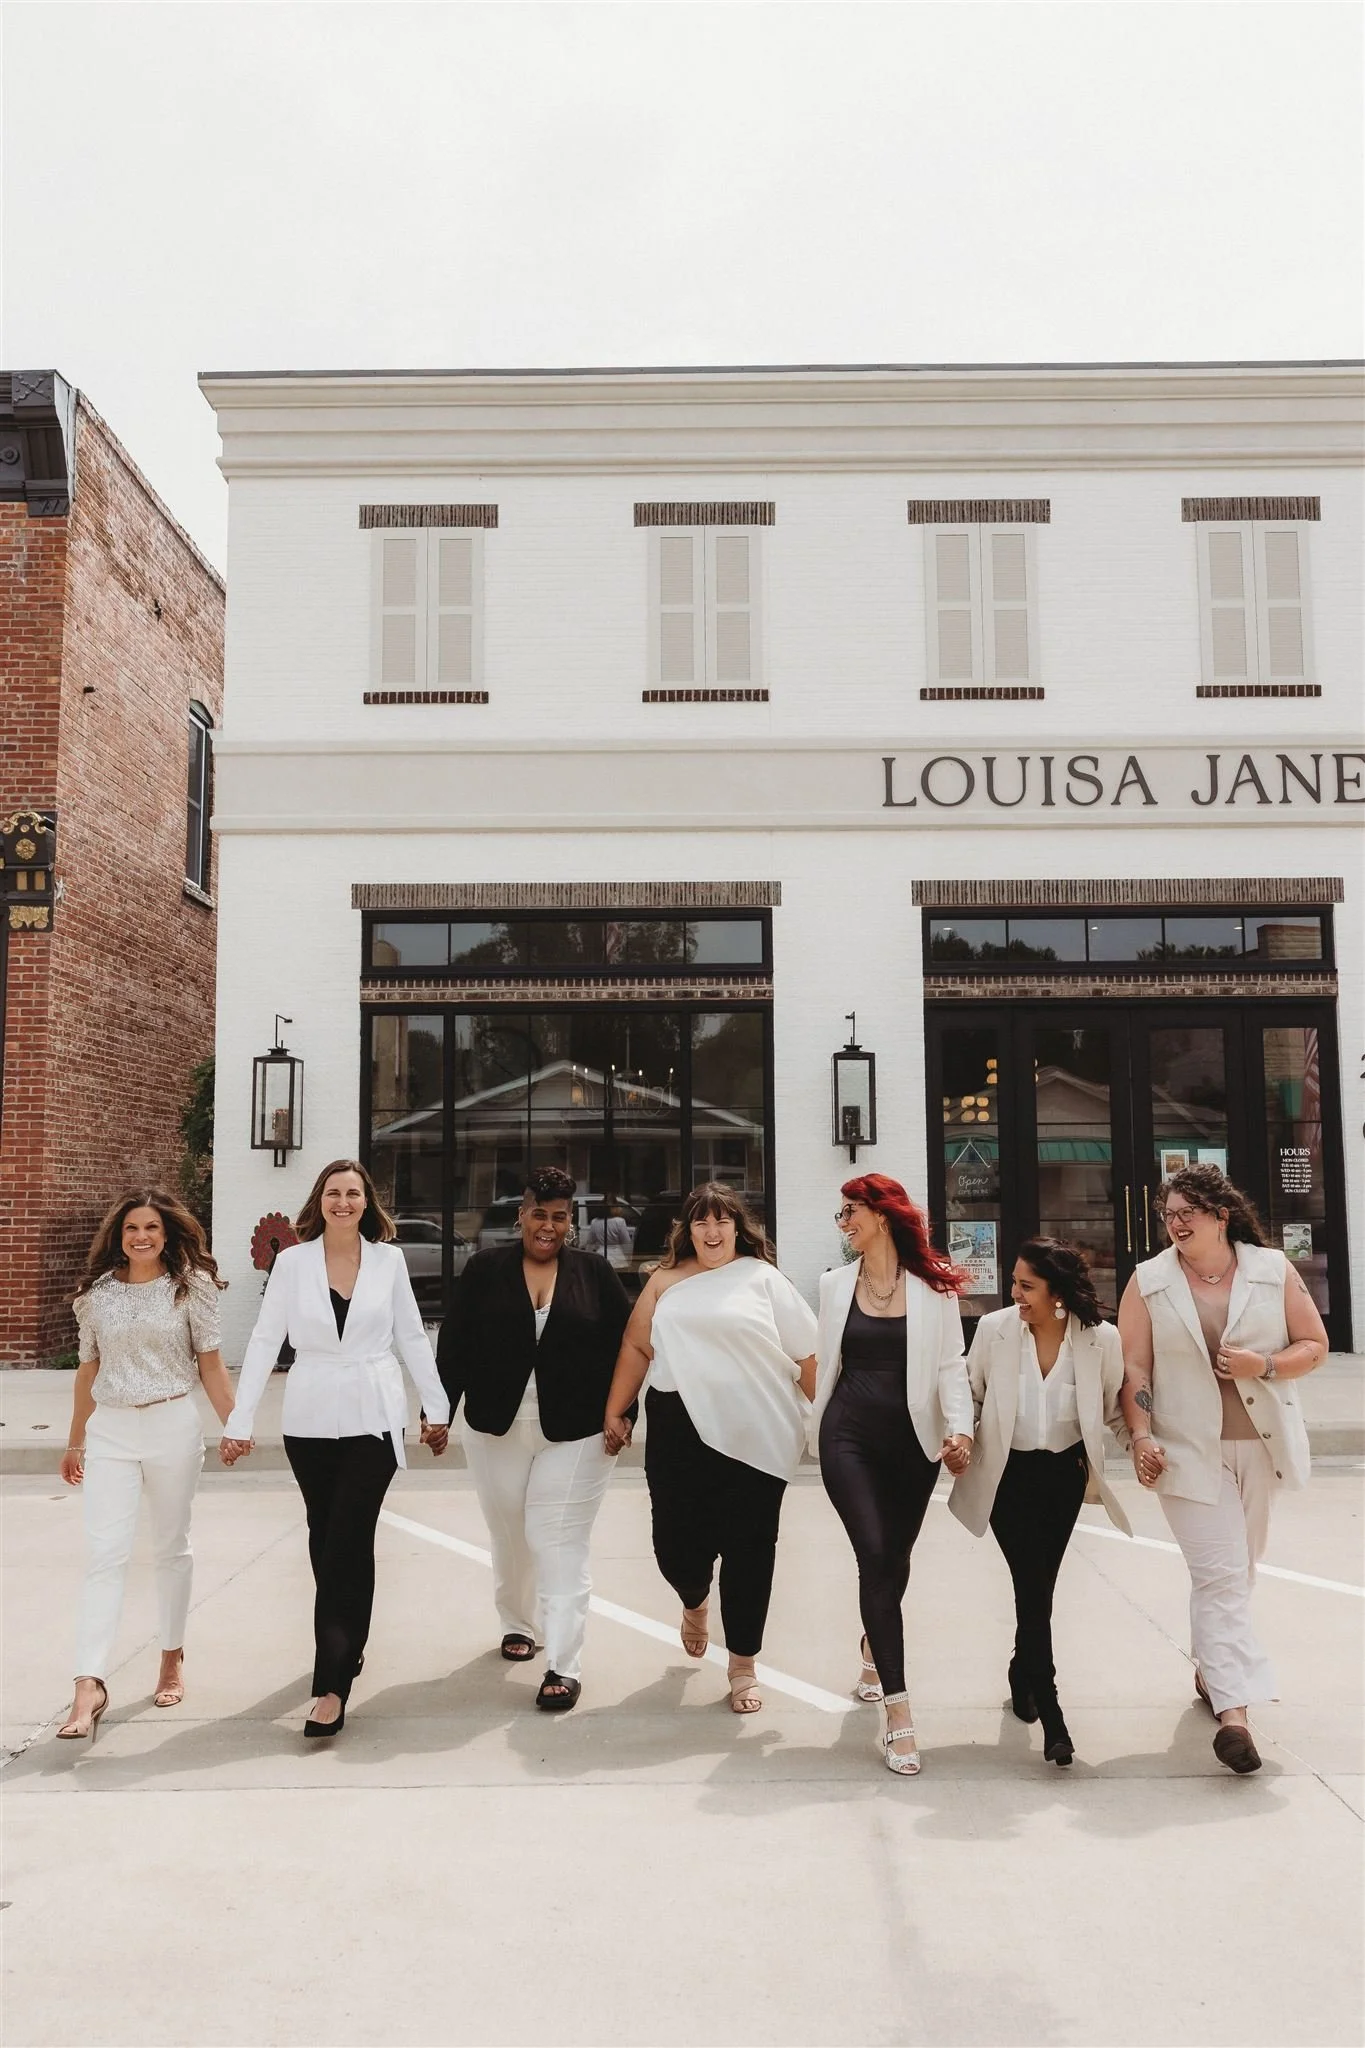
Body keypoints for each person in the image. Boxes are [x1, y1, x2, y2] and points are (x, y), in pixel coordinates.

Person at [220, 1159, 450, 1738]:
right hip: (310, 1418)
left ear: (367, 1202)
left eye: (353, 1193)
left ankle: (330, 1687)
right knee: (326, 1540)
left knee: (346, 1537)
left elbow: (412, 1335)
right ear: (319, 1201)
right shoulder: (293, 1263)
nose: (343, 1202)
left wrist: (436, 1407)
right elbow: (267, 1338)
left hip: (374, 1417)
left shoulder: (388, 1260)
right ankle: (348, 1646)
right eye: (333, 1193)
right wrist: (239, 1420)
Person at [1117, 1162, 1328, 1775]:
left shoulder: (1270, 1269)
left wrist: (1262, 1365)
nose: (1175, 1223)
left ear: (1220, 1215)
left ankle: (1214, 1673)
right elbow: (1135, 1369)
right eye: (1168, 1214)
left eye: (1187, 1212)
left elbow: (1312, 1345)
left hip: (1261, 1446)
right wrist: (1139, 1434)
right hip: (1185, 1452)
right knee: (1219, 1576)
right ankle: (1235, 1716)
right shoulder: (1149, 1281)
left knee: (1238, 1573)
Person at [603, 1183, 817, 1714]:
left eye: (723, 1221)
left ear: (738, 1229)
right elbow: (636, 1344)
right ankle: (694, 1598)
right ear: (688, 1230)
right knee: (674, 1544)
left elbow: (809, 1356)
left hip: (757, 1430)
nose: (713, 1232)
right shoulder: (664, 1281)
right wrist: (616, 1409)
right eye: (701, 1222)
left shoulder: (764, 1280)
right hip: (679, 1428)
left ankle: (743, 1663)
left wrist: (833, 1425)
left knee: (750, 1553)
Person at [437, 1167, 633, 1712]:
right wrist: (438, 1413)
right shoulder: (484, 1269)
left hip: (577, 1430)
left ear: (572, 1221)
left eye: (560, 1216)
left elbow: (629, 1347)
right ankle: (518, 1622)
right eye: (539, 1214)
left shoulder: (594, 1273)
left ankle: (563, 1664)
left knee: (557, 1538)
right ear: (521, 1214)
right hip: (496, 1425)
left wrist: (624, 1412)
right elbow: (454, 1346)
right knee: (510, 1532)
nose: (549, 1226)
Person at [57, 1191, 236, 1741]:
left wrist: (236, 1424)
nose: (141, 1236)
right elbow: (88, 1369)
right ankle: (88, 1683)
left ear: (167, 1234)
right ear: (119, 1234)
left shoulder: (191, 1287)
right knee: (105, 1555)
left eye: (152, 1227)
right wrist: (75, 1440)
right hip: (111, 1428)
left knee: (170, 1547)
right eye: (132, 1227)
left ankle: (171, 1655)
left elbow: (210, 1365)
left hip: (172, 1424)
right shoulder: (95, 1295)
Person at [812, 1174, 973, 1776]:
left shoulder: (935, 1289)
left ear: (882, 1214)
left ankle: (872, 1650)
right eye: (840, 1213)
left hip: (913, 1442)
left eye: (849, 1211)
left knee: (895, 1563)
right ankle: (900, 1715)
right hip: (846, 1434)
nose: (843, 1222)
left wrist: (961, 1430)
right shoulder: (832, 1286)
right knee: (875, 1554)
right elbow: (823, 1360)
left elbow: (952, 1366)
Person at [950, 1238, 1131, 1766]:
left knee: (1037, 1586)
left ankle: (1020, 1668)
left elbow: (1112, 1411)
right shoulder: (994, 1330)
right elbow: (971, 1395)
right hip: (1006, 1476)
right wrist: (960, 1439)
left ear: (1057, 1290)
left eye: (1026, 1285)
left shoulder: (1101, 1340)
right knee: (1033, 1588)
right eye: (1014, 1283)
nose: (1015, 1294)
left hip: (1063, 1477)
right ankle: (1051, 1711)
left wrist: (1145, 1445)